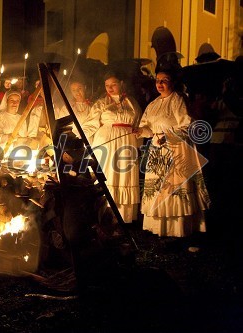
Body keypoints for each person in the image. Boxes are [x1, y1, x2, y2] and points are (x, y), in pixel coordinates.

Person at [135, 65, 210, 237]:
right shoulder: (153, 104)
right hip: (157, 149)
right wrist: (140, 131)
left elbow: (186, 125)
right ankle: (159, 228)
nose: (159, 84)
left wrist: (168, 137)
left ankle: (177, 230)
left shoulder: (178, 100)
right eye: (157, 81)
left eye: (164, 81)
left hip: (175, 149)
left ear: (172, 82)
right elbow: (147, 127)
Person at [85, 71, 142, 223]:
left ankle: (123, 217)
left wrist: (138, 136)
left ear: (121, 83)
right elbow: (90, 123)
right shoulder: (102, 102)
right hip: (107, 140)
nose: (109, 88)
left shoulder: (132, 102)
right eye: (107, 85)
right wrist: (78, 135)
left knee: (124, 175)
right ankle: (104, 216)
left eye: (113, 85)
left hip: (126, 142)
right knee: (107, 174)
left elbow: (138, 122)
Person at [56, 77, 95, 143]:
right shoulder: (67, 107)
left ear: (84, 87)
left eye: (79, 88)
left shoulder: (93, 106)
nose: (77, 92)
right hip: (73, 140)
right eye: (73, 90)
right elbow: (62, 127)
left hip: (90, 140)